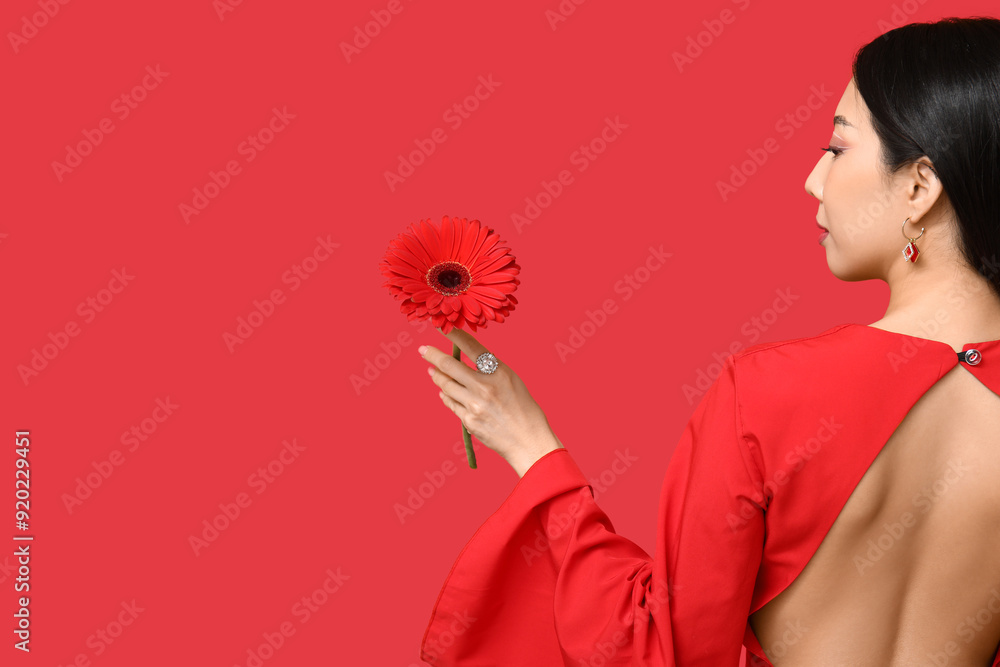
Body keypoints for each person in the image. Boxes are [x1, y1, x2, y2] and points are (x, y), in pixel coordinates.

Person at [416, 16, 1000, 666]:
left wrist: (533, 447)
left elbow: (662, 648)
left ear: (920, 186)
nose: (814, 179)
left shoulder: (767, 394)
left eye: (837, 148)